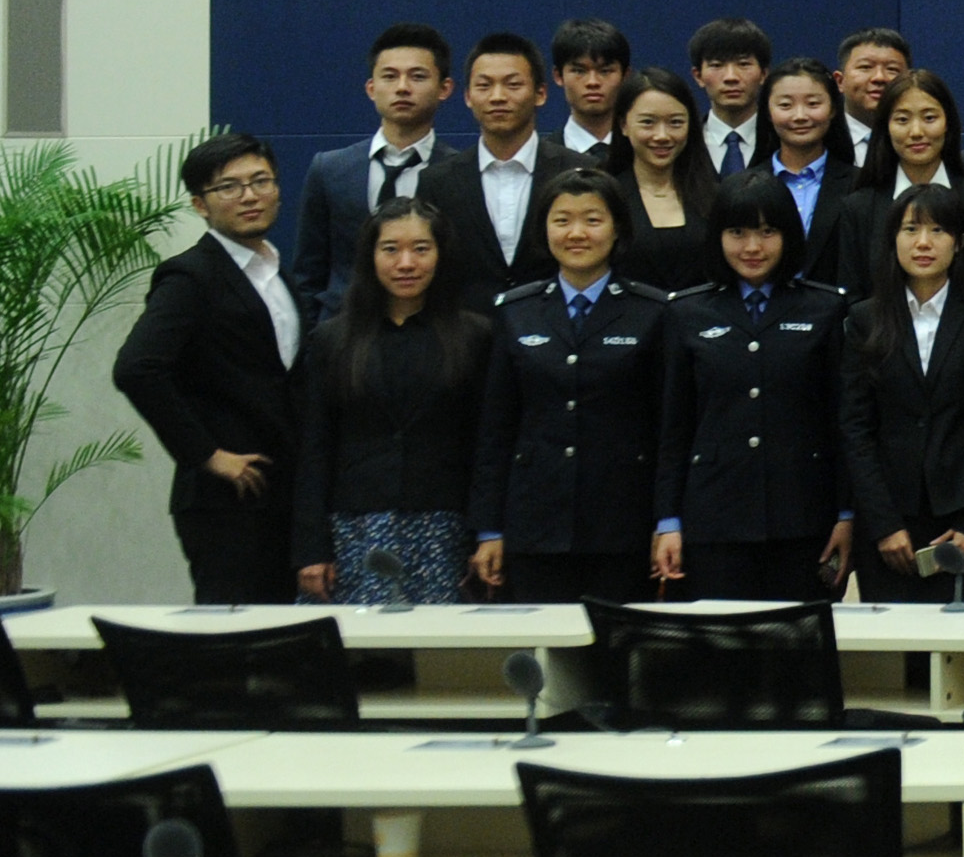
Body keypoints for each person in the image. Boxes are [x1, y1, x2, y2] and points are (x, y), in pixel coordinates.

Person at [116, 131, 306, 603]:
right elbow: (137, 368)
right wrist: (207, 454)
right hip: (224, 499)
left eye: (261, 181)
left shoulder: (277, 273)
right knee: (231, 634)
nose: (250, 196)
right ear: (200, 205)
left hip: (283, 492)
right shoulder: (191, 276)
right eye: (229, 187)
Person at [468, 173, 669, 602]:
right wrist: (489, 529)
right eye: (562, 220)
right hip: (535, 521)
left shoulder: (652, 311)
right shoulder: (516, 312)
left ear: (617, 228)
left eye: (592, 220)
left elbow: (667, 430)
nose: (576, 233)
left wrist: (666, 520)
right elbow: (495, 430)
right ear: (544, 229)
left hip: (622, 523)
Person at [653, 174, 853, 603]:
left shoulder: (825, 308)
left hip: (803, 516)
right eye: (737, 232)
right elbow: (674, 426)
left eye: (767, 231)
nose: (752, 247)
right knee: (721, 643)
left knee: (801, 641)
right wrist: (667, 520)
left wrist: (845, 513)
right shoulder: (687, 312)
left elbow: (841, 421)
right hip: (715, 516)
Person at [289, 195, 497, 606]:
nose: (406, 263)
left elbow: (488, 445)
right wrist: (311, 548)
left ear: (441, 255)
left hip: (446, 527)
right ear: (370, 257)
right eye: (390, 249)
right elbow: (315, 448)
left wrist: (487, 533)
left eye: (421, 249)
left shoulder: (476, 336)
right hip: (355, 527)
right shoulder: (333, 339)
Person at [838, 182, 964, 604]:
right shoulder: (865, 318)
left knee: (960, 638)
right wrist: (882, 524)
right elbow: (856, 427)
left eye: (938, 230)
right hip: (888, 516)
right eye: (911, 229)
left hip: (961, 517)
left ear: (960, 242)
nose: (923, 243)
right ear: (892, 239)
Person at [295, 23, 457, 321]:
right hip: (343, 331)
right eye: (389, 76)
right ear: (371, 88)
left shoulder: (461, 173)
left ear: (444, 88)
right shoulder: (329, 169)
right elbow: (308, 273)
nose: (402, 87)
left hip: (432, 329)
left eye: (417, 76)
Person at [418, 32, 570, 303]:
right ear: (467, 96)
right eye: (484, 85)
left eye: (513, 84)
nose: (497, 97)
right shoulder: (436, 181)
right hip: (465, 325)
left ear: (541, 93)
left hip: (556, 323)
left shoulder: (577, 171)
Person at [819, 69, 964, 300]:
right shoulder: (859, 207)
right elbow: (852, 297)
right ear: (885, 128)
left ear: (948, 123)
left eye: (929, 118)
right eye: (902, 120)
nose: (916, 132)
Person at [601, 68, 716, 295]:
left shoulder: (715, 196)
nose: (662, 136)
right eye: (648, 122)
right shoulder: (605, 197)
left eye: (675, 122)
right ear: (623, 125)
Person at [740, 57, 849, 252]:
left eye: (813, 104)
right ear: (767, 112)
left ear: (833, 108)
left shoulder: (860, 185)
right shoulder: (741, 186)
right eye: (785, 105)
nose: (800, 116)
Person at [688, 16, 772, 182]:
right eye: (717, 65)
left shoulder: (782, 142)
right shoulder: (684, 143)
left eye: (743, 64)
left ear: (763, 74)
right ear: (698, 76)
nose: (731, 77)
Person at [547, 18, 633, 170]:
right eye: (579, 71)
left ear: (625, 76)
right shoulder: (539, 161)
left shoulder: (642, 153)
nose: (592, 82)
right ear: (558, 76)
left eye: (605, 71)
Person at [828, 28, 911, 173]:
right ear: (840, 81)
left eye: (892, 69)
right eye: (865, 67)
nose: (879, 77)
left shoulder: (923, 140)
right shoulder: (820, 142)